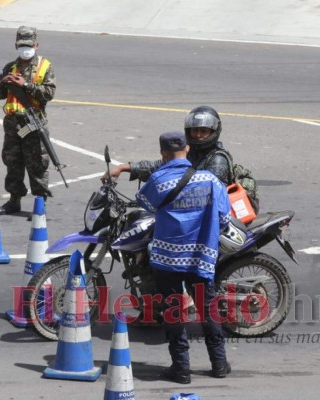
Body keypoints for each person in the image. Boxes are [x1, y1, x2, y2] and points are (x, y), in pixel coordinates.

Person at [135, 131, 233, 384]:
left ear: (162, 153)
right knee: (207, 308)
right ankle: (219, 364)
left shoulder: (158, 180)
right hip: (201, 256)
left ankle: (181, 368)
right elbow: (224, 218)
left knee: (173, 311)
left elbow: (145, 203)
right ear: (187, 149)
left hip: (166, 259)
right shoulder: (210, 180)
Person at [107, 105, 259, 213]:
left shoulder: (217, 160)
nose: (198, 135)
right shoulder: (192, 152)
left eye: (203, 131)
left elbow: (204, 193)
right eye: (195, 131)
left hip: (211, 215)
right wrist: (125, 167)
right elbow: (162, 165)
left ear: (213, 132)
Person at [0, 26, 56, 215]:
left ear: (36, 45)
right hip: (13, 125)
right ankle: (14, 200)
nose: (25, 49)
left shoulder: (45, 66)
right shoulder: (10, 67)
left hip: (33, 123)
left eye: (28, 45)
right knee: (13, 162)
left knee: (37, 163)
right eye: (21, 45)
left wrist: (25, 85)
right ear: (16, 45)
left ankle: (40, 203)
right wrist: (4, 81)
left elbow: (49, 93)